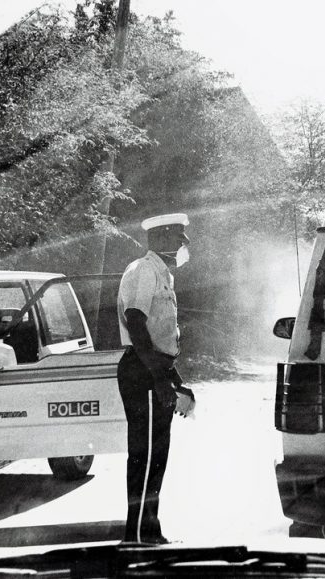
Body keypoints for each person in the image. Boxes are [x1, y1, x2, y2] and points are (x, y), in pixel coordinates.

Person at [116, 212, 196, 544]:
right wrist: (160, 380)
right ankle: (135, 538)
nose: (184, 243)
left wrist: (174, 379)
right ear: (160, 237)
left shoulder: (163, 274)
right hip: (142, 371)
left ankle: (149, 531)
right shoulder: (143, 271)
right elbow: (135, 322)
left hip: (153, 368)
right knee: (145, 455)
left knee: (156, 456)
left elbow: (160, 338)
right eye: (179, 236)